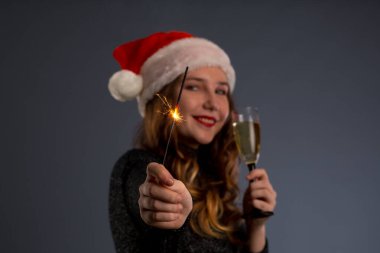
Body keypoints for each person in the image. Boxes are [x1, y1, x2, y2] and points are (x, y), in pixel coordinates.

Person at [108, 31, 277, 253]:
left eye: (220, 91)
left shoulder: (212, 179)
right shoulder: (139, 170)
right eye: (194, 86)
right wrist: (172, 220)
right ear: (164, 98)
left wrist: (255, 227)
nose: (213, 103)